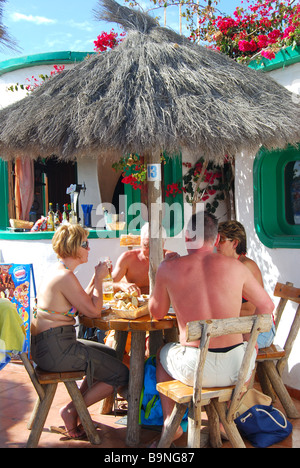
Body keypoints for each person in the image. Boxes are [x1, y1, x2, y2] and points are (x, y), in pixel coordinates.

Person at [149, 211, 274, 444]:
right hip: (238, 369)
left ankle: (170, 422)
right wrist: (250, 342)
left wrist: (162, 273)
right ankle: (222, 419)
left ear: (187, 236)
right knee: (244, 352)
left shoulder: (170, 268)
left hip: (194, 370)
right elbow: (267, 305)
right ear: (216, 239)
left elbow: (156, 313)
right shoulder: (237, 268)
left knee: (160, 354)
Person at [31, 224, 129, 439]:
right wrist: (101, 279)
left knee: (110, 354)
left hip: (51, 346)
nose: (89, 248)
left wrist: (96, 278)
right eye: (85, 244)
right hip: (56, 350)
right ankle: (74, 410)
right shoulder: (64, 276)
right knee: (121, 373)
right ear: (74, 247)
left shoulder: (62, 273)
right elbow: (93, 311)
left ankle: (77, 407)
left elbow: (82, 301)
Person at [217, 220, 276, 348]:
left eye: (221, 239)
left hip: (259, 332)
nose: (216, 244)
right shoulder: (229, 266)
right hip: (241, 328)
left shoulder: (246, 266)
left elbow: (251, 309)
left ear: (235, 243)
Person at [112, 222, 172, 296]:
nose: (151, 251)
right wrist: (121, 285)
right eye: (146, 245)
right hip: (136, 305)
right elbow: (106, 285)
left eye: (155, 246)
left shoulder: (171, 259)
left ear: (163, 243)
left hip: (161, 304)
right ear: (140, 241)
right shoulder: (128, 258)